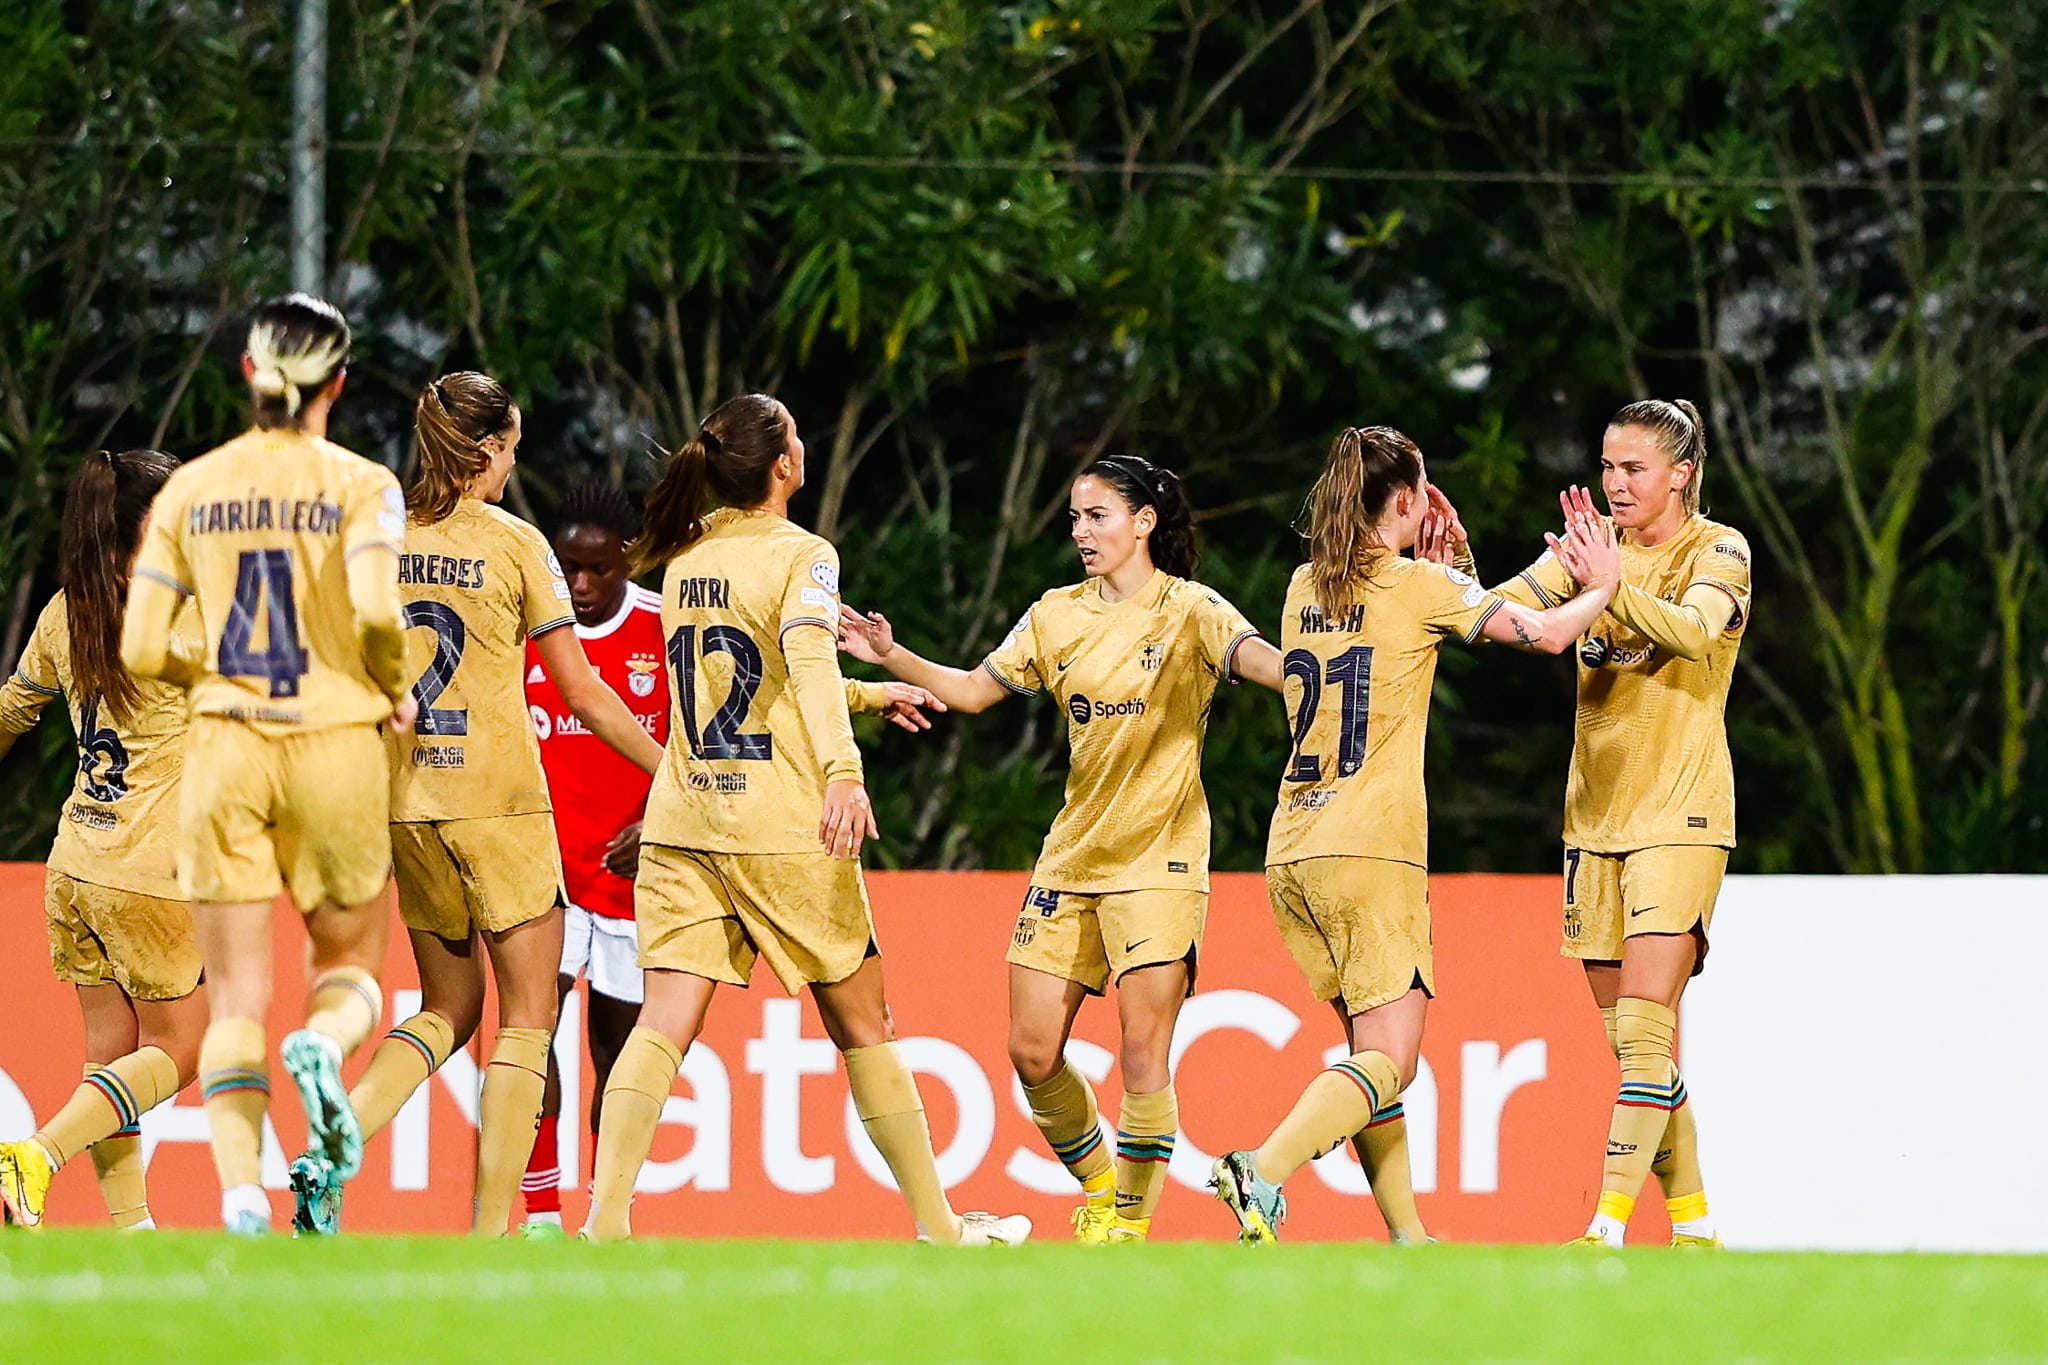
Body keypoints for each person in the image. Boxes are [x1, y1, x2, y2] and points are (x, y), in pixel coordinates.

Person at [579, 392, 1027, 1247]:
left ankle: (604, 1222)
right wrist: (844, 773)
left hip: (684, 819)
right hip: (779, 824)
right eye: (794, 429)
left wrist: (871, 693)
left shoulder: (688, 555)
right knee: (864, 1023)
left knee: (663, 1021)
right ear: (783, 464)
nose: (802, 440)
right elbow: (806, 668)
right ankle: (940, 1227)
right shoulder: (804, 555)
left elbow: (743, 682)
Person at [840, 453, 1285, 1243]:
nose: (1081, 531)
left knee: (1142, 1054)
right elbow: (972, 689)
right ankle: (1105, 1190)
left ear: (1143, 522)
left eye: (1097, 515)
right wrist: (890, 655)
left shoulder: (1192, 609)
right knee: (1032, 1049)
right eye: (1076, 517)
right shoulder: (1054, 615)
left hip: (1161, 860)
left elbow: (1269, 666)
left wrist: (1323, 666)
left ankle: (1129, 1229)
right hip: (1072, 859)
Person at [1207, 427, 1618, 1244]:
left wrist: (1455, 570)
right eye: (1423, 488)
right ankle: (1262, 1168)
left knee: (1369, 1057)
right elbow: (1544, 634)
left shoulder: (1302, 585)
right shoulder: (1418, 585)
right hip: (1371, 849)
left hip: (1294, 847)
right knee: (1391, 1059)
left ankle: (1409, 1234)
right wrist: (1600, 584)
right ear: (1403, 499)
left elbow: (1408, 628)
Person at [287, 374, 667, 1238]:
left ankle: (333, 1152)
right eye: (511, 451)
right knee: (528, 1020)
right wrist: (671, 769)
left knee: (446, 1009)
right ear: (487, 449)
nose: (512, 467)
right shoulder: (515, 543)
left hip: (407, 805)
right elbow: (582, 691)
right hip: (500, 808)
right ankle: (491, 1228)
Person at [120, 293, 416, 1235]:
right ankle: (324, 1044)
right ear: (340, 382)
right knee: (349, 964)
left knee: (236, 998)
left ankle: (242, 1192)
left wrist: (210, 675)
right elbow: (377, 616)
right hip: (334, 742)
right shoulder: (363, 484)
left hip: (227, 748)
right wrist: (392, 687)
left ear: (248, 372)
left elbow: (139, 646)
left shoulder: (190, 489)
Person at [1449, 399, 1749, 1249]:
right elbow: (1498, 616)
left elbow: (1694, 632)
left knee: (1649, 1028)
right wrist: (1454, 572)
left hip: (1681, 815)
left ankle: (1606, 1226)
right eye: (1608, 466)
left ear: (1680, 474)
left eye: (1634, 468)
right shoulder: (1592, 551)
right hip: (1593, 822)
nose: (1615, 483)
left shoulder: (1719, 549)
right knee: (1636, 1050)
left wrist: (1610, 587)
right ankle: (1694, 1228)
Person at [0, 451, 209, 1230]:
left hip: (75, 863)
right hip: (148, 869)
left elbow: (12, 711)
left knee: (112, 1053)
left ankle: (131, 1231)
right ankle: (36, 1154)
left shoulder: (68, 611)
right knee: (184, 1049)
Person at [517, 481, 669, 1237]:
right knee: (530, 1035)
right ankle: (541, 1213)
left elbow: (699, 741)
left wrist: (658, 820)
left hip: (631, 882)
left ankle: (607, 1216)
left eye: (596, 569)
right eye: (567, 567)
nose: (579, 584)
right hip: (545, 875)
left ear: (628, 560)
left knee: (618, 1053)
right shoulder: (528, 630)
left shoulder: (665, 629)